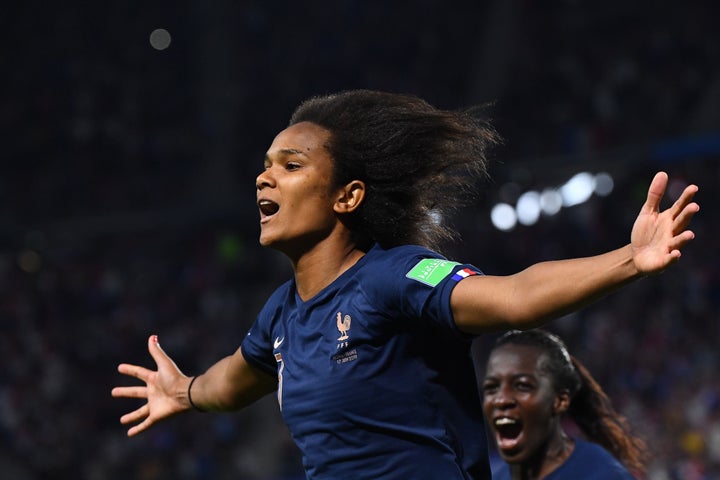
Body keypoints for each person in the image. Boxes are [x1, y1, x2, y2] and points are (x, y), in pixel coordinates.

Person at [111, 89, 699, 479]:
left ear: (348, 196)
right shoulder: (282, 316)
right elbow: (232, 383)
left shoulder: (394, 276)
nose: (266, 176)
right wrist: (182, 392)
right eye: (266, 164)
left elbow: (515, 294)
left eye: (291, 165)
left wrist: (628, 258)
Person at [482, 329, 646, 479]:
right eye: (491, 388)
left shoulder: (603, 475)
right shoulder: (497, 477)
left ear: (560, 401)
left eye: (522, 386)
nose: (501, 399)